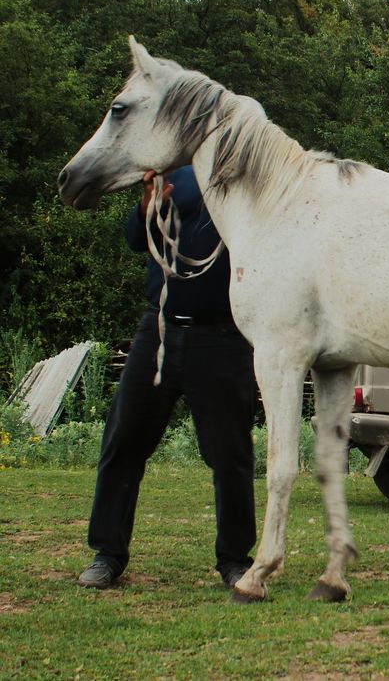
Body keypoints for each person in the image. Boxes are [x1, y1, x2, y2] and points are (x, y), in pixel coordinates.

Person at [77, 166, 257, 590]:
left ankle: (234, 560)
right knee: (123, 443)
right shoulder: (169, 175)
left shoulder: (245, 177)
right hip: (157, 329)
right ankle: (108, 554)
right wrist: (147, 205)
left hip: (223, 335)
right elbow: (136, 240)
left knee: (230, 455)